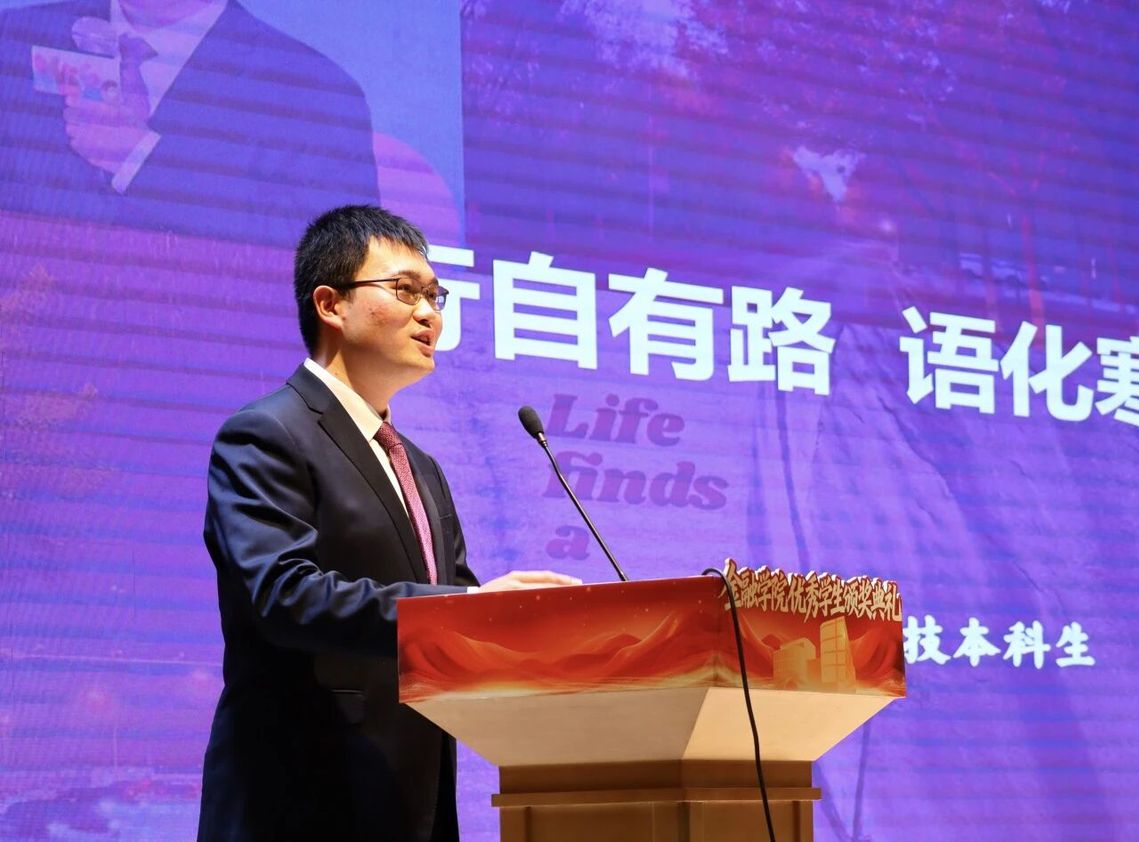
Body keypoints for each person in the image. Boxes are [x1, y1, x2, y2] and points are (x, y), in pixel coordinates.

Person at [197, 204, 579, 842]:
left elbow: (454, 606)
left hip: (414, 804)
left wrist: (524, 629)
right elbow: (283, 595)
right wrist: (468, 609)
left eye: (436, 295)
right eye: (406, 291)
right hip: (302, 803)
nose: (431, 314)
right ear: (331, 304)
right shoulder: (265, 435)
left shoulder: (422, 467)